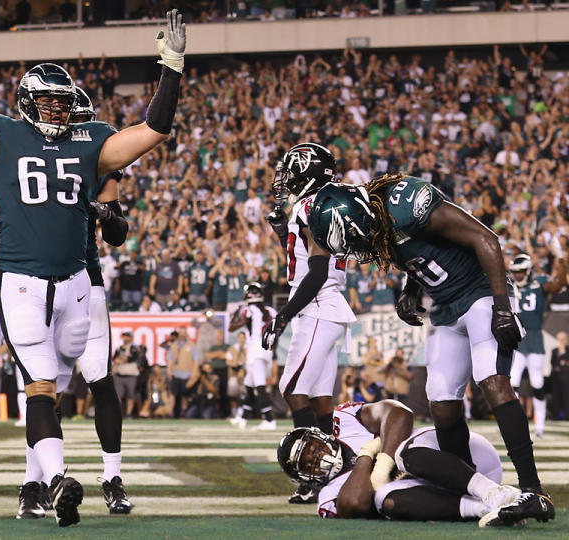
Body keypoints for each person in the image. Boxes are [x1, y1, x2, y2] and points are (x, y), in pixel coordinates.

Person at [0, 0, 185, 526]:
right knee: (40, 384)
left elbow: (153, 130)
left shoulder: (93, 141)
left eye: (63, 103)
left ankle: (39, 482)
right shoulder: (2, 136)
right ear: (26, 102)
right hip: (22, 282)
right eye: (47, 102)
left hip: (78, 288)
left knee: (62, 384)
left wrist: (170, 69)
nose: (58, 110)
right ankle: (57, 478)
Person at [307, 178, 549, 501]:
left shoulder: (406, 204)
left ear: (359, 215)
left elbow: (486, 237)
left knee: (492, 381)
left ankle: (533, 489)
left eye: (353, 238)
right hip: (445, 306)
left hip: (480, 290)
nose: (357, 248)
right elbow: (415, 256)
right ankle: (469, 488)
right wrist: (410, 290)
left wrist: (502, 307)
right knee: (441, 403)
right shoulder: (378, 222)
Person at [16, 87, 133, 520]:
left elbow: (118, 230)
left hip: (84, 280)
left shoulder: (95, 162)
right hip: (32, 281)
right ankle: (35, 483)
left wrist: (105, 214)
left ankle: (112, 476)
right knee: (42, 390)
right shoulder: (25, 155)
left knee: (99, 377)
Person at [277, 399, 554, 526]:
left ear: (321, 435)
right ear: (305, 478)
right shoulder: (327, 495)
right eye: (307, 462)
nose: (316, 456)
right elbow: (354, 504)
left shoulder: (345, 420)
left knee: (403, 454)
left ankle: (494, 492)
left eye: (311, 447)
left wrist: (382, 459)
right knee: (385, 499)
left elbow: (399, 413)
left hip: (469, 459)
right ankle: (490, 509)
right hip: (449, 496)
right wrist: (365, 455)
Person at [262, 143, 356, 504]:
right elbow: (310, 256)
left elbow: (316, 272)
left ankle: (317, 473)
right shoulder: (325, 204)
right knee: (318, 398)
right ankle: (336, 471)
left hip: (317, 306)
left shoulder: (310, 205)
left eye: (291, 171)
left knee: (292, 387)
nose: (285, 178)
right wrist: (282, 230)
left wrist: (283, 315)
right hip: (325, 306)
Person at [509, 253, 566, 438]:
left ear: (529, 270)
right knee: (512, 384)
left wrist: (562, 263)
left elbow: (559, 284)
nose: (517, 276)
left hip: (534, 339)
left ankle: (539, 426)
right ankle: (514, 426)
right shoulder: (508, 286)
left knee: (537, 382)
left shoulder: (539, 284)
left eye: (521, 272)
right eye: (515, 272)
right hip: (516, 340)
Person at [229, 282, 277, 430]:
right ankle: (242, 418)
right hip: (266, 348)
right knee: (249, 385)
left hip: (255, 349)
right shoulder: (270, 311)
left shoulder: (248, 310)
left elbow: (231, 327)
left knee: (260, 386)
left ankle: (269, 420)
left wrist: (239, 314)